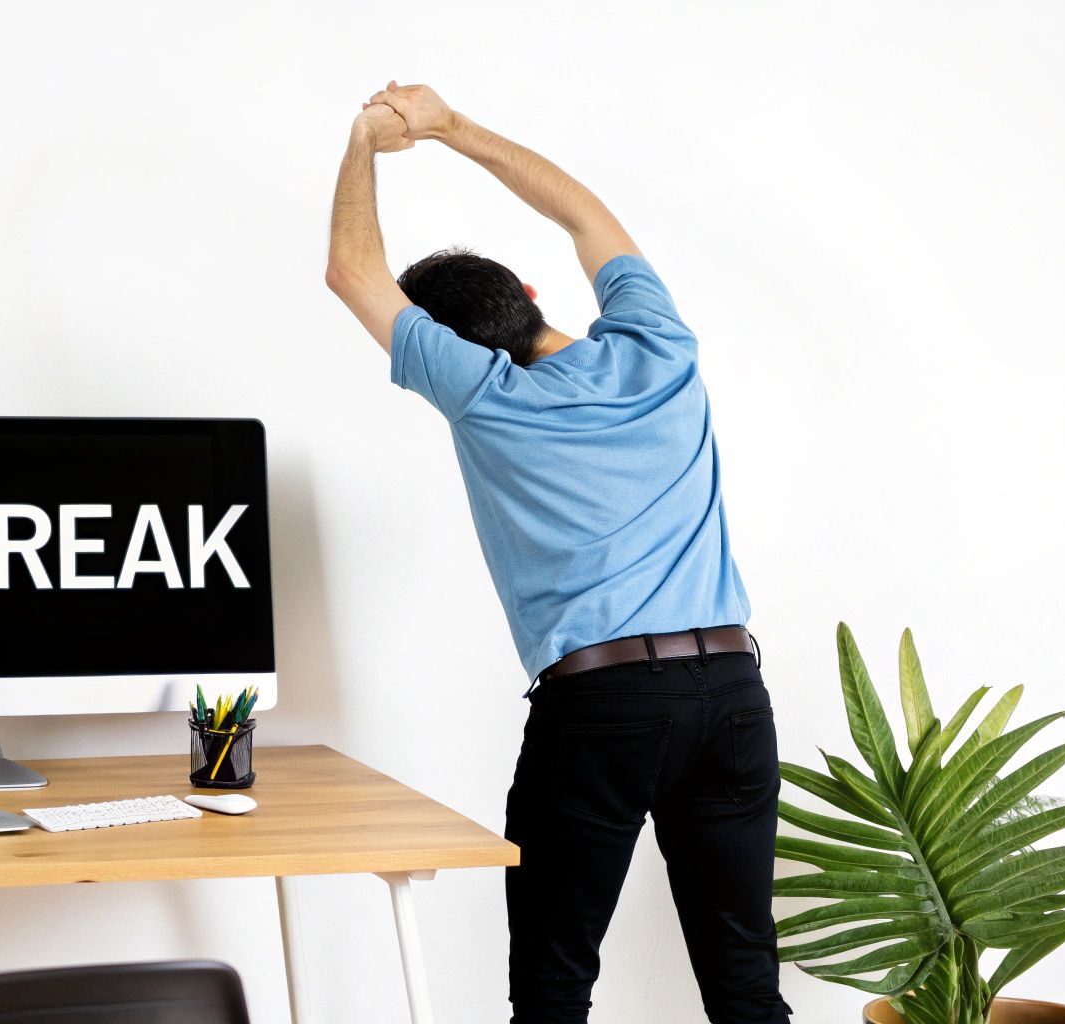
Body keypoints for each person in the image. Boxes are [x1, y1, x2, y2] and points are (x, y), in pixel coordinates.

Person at [324, 84, 791, 1024]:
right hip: (735, 695)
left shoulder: (483, 395)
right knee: (746, 990)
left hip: (604, 708)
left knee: (551, 987)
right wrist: (449, 127)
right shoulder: (661, 349)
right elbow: (580, 211)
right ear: (530, 295)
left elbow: (350, 270)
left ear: (444, 349)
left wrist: (363, 142)